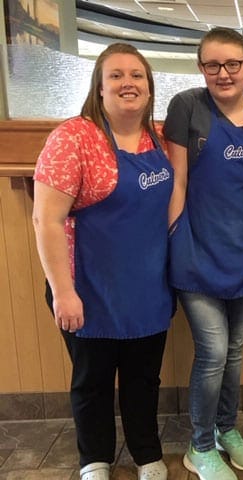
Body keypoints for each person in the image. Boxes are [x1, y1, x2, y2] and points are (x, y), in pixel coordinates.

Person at [32, 43, 172, 480]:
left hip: (148, 286)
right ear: (99, 87)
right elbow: (46, 219)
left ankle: (147, 453)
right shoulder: (73, 138)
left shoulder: (159, 139)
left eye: (137, 75)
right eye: (116, 75)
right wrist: (64, 292)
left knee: (143, 379)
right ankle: (94, 458)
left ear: (149, 87)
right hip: (87, 287)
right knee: (92, 380)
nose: (128, 83)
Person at [163, 27, 243, 480]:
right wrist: (174, 235)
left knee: (234, 350)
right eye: (212, 64)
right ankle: (199, 446)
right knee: (213, 351)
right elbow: (177, 179)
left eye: (233, 63)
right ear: (201, 68)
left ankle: (226, 428)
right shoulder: (187, 107)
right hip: (197, 250)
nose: (223, 73)